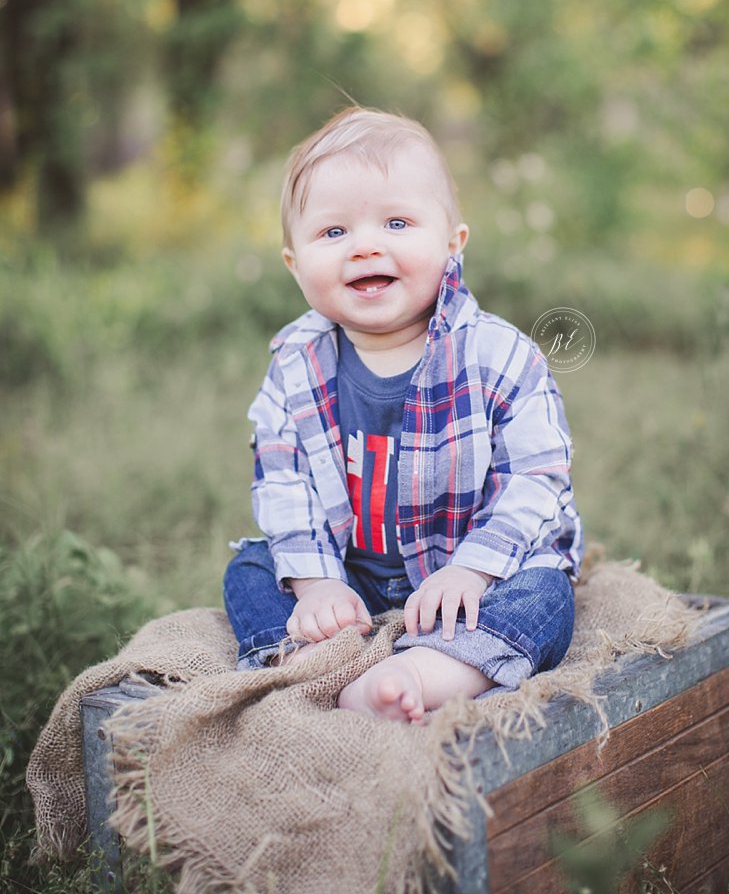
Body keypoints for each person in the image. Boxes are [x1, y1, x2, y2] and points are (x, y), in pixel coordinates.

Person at [223, 106, 582, 722]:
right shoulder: (294, 364)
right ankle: (307, 669)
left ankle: (421, 671)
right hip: (352, 578)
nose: (365, 246)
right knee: (251, 568)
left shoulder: (498, 355)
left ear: (451, 243)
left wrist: (473, 570)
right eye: (333, 233)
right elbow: (282, 482)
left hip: (474, 575)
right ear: (294, 264)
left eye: (396, 222)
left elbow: (540, 477)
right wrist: (316, 585)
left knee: (546, 596)